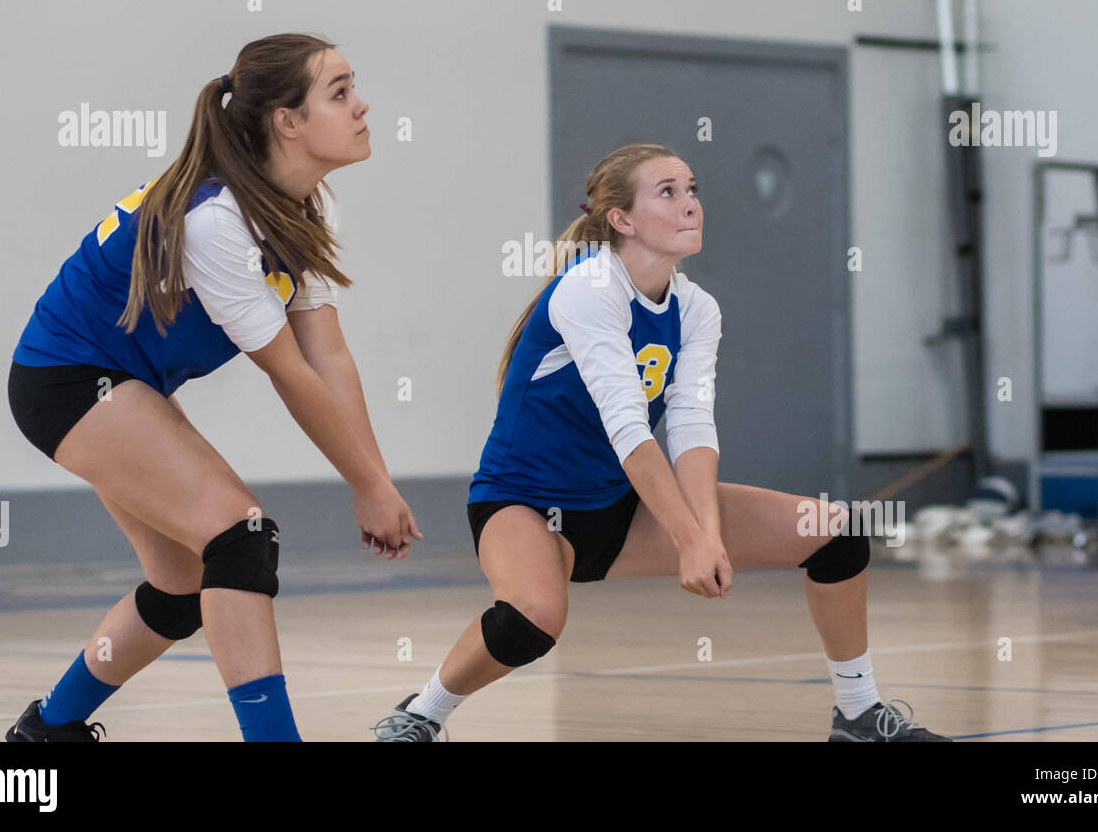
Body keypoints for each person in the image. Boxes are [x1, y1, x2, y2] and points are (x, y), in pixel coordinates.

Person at [373, 143, 950, 742]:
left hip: (621, 509)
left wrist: (705, 533)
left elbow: (693, 426)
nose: (691, 205)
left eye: (693, 189)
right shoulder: (589, 288)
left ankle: (859, 715)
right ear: (621, 219)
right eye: (668, 193)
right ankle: (420, 715)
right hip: (524, 504)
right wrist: (689, 540)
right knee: (534, 620)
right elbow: (628, 427)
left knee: (833, 533)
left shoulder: (697, 309)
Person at [6, 33, 419, 742]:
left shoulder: (302, 206)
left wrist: (374, 478)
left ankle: (47, 731)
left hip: (121, 380)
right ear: (287, 121)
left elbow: (330, 359)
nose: (363, 105)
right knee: (241, 538)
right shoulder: (217, 220)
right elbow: (289, 371)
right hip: (69, 381)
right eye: (341, 91)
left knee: (180, 587)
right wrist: (369, 487)